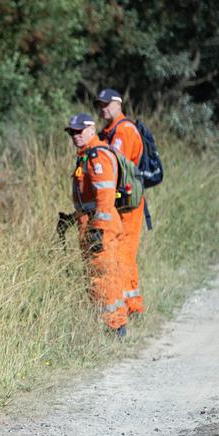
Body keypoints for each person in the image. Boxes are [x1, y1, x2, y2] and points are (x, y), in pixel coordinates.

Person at [65, 113, 128, 336]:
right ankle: (109, 324)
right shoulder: (86, 155)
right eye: (72, 132)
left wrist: (98, 229)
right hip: (91, 224)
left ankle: (115, 327)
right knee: (98, 274)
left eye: (79, 131)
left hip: (100, 226)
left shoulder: (97, 156)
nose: (75, 135)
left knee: (103, 274)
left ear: (91, 130)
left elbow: (104, 196)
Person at [95, 88, 145, 316]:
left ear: (119, 104)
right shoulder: (109, 131)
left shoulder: (123, 131)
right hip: (119, 202)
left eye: (107, 104)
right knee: (118, 254)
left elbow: (115, 165)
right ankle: (128, 306)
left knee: (124, 254)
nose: (103, 108)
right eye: (100, 105)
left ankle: (132, 307)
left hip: (127, 205)